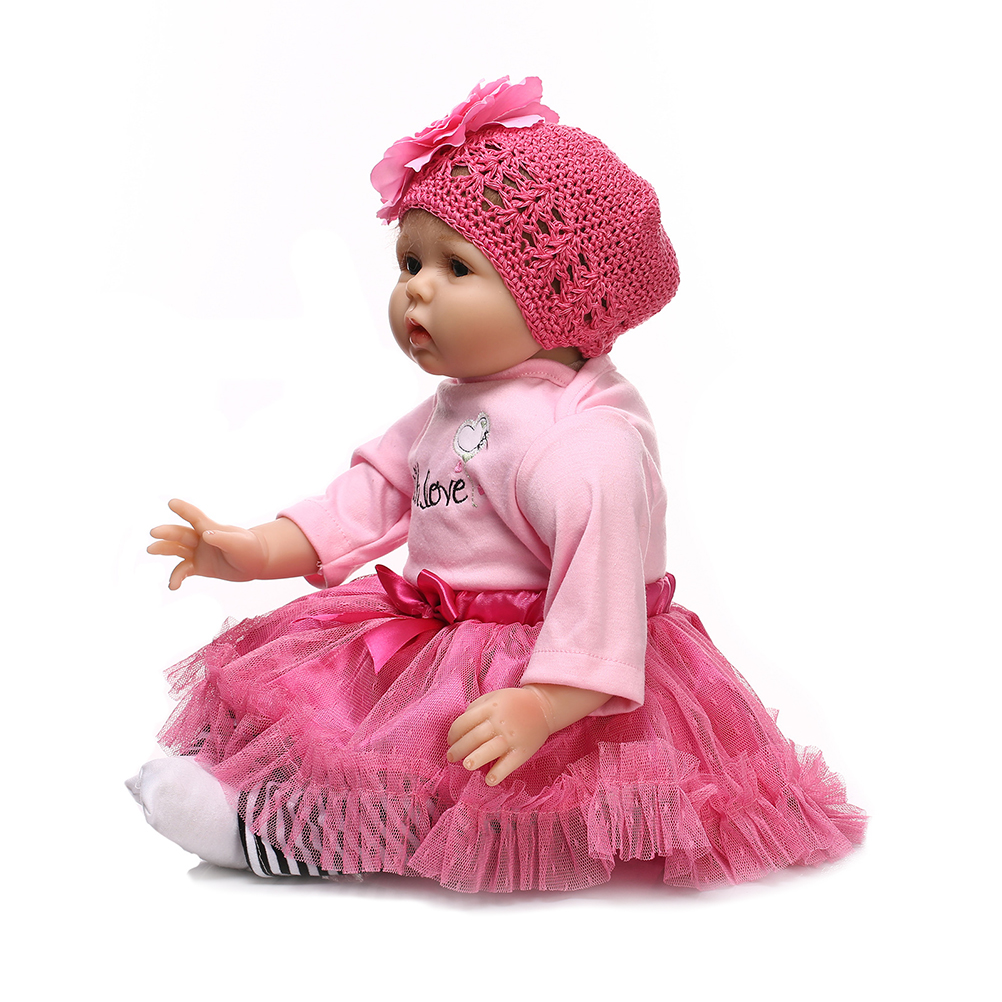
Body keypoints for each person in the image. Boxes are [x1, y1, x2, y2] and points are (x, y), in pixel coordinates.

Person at [128, 77, 866, 893]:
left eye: (456, 267)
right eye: (410, 263)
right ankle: (252, 784)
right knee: (325, 706)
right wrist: (256, 548)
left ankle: (286, 836)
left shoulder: (585, 443)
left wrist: (544, 701)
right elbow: (373, 494)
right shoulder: (460, 402)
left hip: (554, 661)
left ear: (555, 301)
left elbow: (599, 591)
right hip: (433, 631)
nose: (417, 288)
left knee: (432, 767)